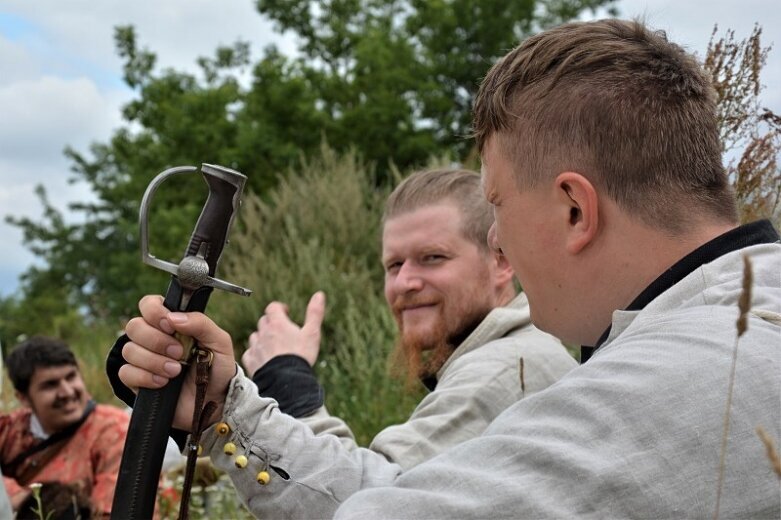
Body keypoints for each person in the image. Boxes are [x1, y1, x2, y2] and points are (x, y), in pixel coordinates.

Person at [117, 18, 780, 518]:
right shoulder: (731, 331)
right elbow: (409, 493)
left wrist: (266, 392)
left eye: (496, 205)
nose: (501, 243)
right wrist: (222, 405)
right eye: (394, 263)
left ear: (574, 208)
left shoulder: (656, 386)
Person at [109, 167, 576, 513]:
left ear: (502, 261)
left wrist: (273, 385)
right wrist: (215, 406)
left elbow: (370, 504)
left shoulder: (507, 369)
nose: (406, 283)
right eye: (394, 266)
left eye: (432, 258)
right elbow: (377, 478)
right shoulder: (507, 355)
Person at [0, 336, 130, 517]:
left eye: (71, 377)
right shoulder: (11, 429)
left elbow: (121, 511)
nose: (68, 392)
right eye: (50, 385)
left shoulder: (114, 431)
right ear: (23, 398)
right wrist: (19, 497)